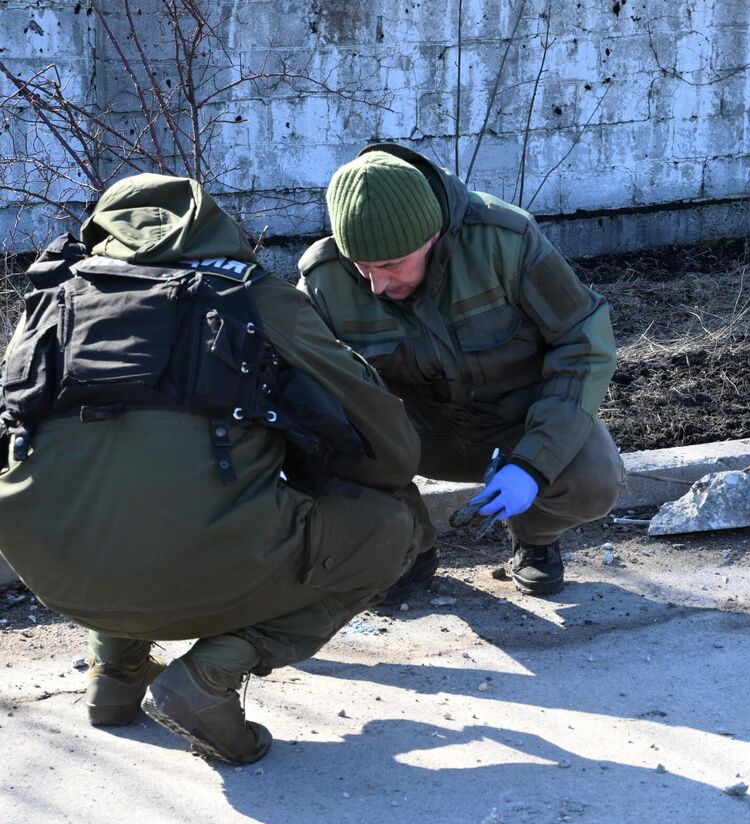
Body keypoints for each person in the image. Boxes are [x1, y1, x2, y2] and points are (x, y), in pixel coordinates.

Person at [0, 175, 423, 766]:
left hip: (55, 575)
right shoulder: (250, 295)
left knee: (115, 488)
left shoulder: (51, 297)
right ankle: (209, 677)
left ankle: (113, 677)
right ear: (212, 227)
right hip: (201, 567)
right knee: (392, 525)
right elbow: (391, 446)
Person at [298, 143, 624, 598]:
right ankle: (407, 550)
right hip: (417, 434)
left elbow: (582, 340)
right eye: (362, 267)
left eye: (391, 264)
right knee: (318, 431)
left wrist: (533, 464)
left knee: (594, 479)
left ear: (432, 235)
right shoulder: (324, 279)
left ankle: (534, 538)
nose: (377, 284)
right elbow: (307, 387)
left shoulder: (504, 240)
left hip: (517, 421)